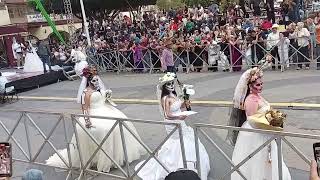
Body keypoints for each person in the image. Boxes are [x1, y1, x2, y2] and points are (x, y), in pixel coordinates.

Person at [46, 68, 145, 172]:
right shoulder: (86, 92)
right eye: (94, 80)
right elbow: (85, 108)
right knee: (104, 130)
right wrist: (87, 121)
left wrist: (107, 97)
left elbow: (105, 100)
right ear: (88, 81)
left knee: (120, 124)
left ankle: (116, 156)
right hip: (94, 114)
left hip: (106, 110)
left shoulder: (99, 89)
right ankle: (99, 158)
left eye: (97, 80)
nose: (96, 82)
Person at [135, 72, 210, 180]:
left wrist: (186, 103)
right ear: (164, 87)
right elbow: (167, 114)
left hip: (180, 121)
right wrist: (179, 117)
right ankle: (179, 166)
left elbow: (179, 106)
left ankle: (191, 165)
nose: (171, 85)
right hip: (173, 123)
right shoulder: (165, 98)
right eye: (168, 84)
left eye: (171, 83)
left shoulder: (174, 95)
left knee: (187, 140)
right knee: (177, 142)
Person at [228, 67, 291, 180]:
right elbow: (253, 119)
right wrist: (270, 124)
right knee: (257, 159)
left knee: (267, 159)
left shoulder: (257, 96)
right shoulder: (251, 99)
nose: (260, 86)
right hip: (255, 133)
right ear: (250, 86)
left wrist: (274, 119)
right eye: (257, 85)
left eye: (261, 84)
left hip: (263, 131)